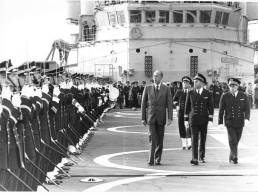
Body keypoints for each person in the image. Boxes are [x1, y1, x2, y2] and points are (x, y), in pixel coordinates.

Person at [141, 70, 173, 166]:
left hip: (161, 117)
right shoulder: (147, 88)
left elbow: (169, 104)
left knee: (160, 139)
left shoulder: (166, 89)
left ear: (161, 77)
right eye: (154, 76)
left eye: (157, 76)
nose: (155, 78)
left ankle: (158, 158)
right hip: (151, 117)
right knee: (152, 138)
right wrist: (143, 117)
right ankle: (151, 159)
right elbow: (143, 104)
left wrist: (170, 117)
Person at [218, 78, 250, 164]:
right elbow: (221, 110)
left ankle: (231, 157)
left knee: (237, 139)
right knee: (233, 140)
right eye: (230, 86)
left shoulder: (243, 96)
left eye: (233, 86)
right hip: (230, 122)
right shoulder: (225, 96)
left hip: (240, 122)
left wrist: (247, 118)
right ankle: (235, 156)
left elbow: (247, 108)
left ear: (237, 86)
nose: (231, 88)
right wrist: (220, 122)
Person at [184, 73, 214, 165]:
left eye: (196, 81)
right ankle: (195, 158)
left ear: (201, 83)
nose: (194, 83)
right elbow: (187, 107)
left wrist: (210, 120)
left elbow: (211, 108)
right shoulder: (190, 93)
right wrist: (186, 120)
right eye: (194, 81)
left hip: (204, 119)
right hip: (193, 119)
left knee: (203, 138)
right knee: (194, 138)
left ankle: (201, 156)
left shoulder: (208, 93)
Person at [173, 76, 192, 150]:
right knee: (181, 127)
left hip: (189, 112)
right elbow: (174, 100)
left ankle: (189, 142)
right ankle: (184, 143)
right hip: (181, 112)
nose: (185, 84)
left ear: (189, 84)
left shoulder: (191, 92)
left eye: (186, 83)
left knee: (189, 127)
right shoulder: (179, 92)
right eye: (184, 83)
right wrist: (177, 105)